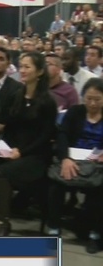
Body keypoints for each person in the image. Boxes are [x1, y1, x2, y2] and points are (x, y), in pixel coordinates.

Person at [0, 52, 57, 236]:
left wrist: (21, 151)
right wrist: (4, 148)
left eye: (27, 67)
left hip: (35, 155)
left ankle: (2, 222)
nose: (22, 70)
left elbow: (45, 137)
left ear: (39, 72)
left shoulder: (47, 101)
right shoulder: (16, 95)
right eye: (21, 66)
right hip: (13, 150)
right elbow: (10, 128)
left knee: (4, 173)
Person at [47, 78, 103, 254]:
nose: (92, 103)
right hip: (73, 159)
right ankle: (54, 228)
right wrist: (65, 158)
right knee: (56, 185)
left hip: (97, 162)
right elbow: (62, 135)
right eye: (89, 98)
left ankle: (95, 234)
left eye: (98, 99)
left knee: (99, 189)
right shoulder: (75, 112)